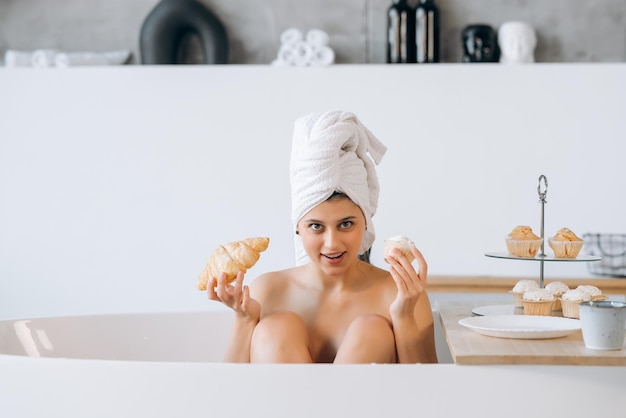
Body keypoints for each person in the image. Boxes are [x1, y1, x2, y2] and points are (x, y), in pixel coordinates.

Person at [207, 111, 438, 364]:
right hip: (283, 403)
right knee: (276, 327)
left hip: (366, 405)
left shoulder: (399, 294)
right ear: (298, 227)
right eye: (316, 226)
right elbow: (233, 390)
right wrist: (245, 319)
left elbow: (428, 392)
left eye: (346, 224)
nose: (332, 243)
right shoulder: (268, 290)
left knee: (371, 330)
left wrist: (404, 317)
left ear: (365, 223)